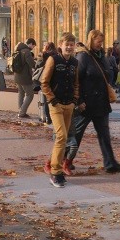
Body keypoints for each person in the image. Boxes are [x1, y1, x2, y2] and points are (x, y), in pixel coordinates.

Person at [64, 30, 120, 175]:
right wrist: (79, 101)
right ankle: (64, 159)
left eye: (102, 42)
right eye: (98, 41)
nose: (100, 44)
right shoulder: (83, 57)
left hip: (101, 103)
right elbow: (75, 80)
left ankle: (110, 163)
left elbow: (107, 73)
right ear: (91, 40)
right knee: (76, 134)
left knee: (104, 133)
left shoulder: (101, 56)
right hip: (86, 104)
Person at [41, 34, 79, 187]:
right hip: (56, 105)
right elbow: (44, 82)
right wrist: (52, 100)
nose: (69, 47)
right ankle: (55, 172)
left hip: (68, 104)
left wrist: (74, 100)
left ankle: (54, 165)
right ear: (61, 45)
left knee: (63, 138)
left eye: (72, 44)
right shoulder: (54, 60)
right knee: (62, 136)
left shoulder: (75, 62)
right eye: (66, 44)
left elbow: (76, 83)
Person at [11, 40, 38, 120]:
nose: (33, 48)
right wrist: (37, 64)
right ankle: (22, 112)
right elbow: (32, 64)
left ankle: (21, 110)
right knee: (30, 95)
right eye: (33, 46)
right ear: (30, 44)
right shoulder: (27, 51)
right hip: (24, 77)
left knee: (21, 93)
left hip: (17, 75)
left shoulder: (18, 49)